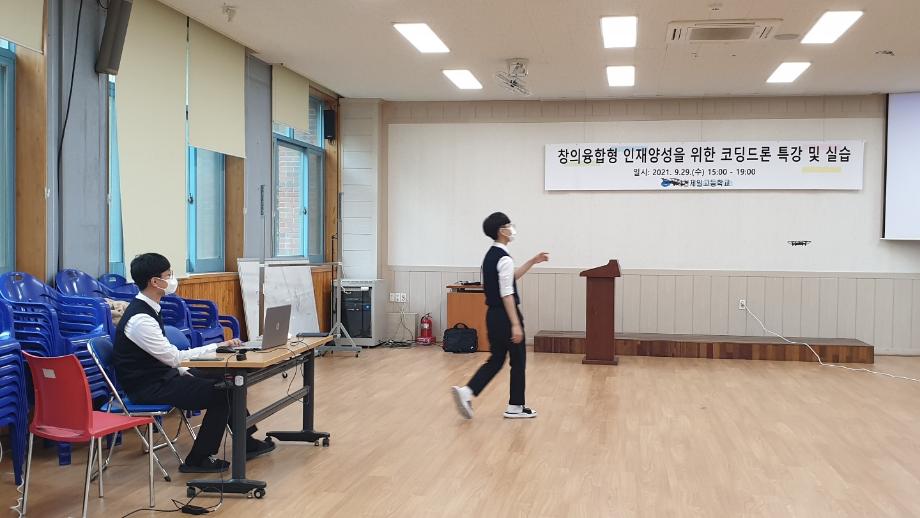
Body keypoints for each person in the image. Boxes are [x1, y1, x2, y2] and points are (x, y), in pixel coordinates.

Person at [113, 253, 275, 473]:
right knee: (224, 392)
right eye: (168, 275)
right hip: (148, 388)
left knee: (229, 378)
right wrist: (217, 346)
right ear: (155, 282)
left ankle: (246, 442)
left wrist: (191, 367)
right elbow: (174, 358)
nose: (172, 279)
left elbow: (168, 360)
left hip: (164, 376)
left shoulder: (149, 309)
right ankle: (198, 459)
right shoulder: (140, 319)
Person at [452, 213, 548, 419]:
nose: (511, 228)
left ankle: (467, 392)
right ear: (501, 231)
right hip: (506, 316)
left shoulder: (491, 256)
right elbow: (507, 292)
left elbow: (509, 279)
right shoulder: (503, 258)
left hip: (493, 316)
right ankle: (515, 407)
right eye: (508, 225)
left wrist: (532, 261)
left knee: (496, 359)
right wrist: (515, 324)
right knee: (518, 361)